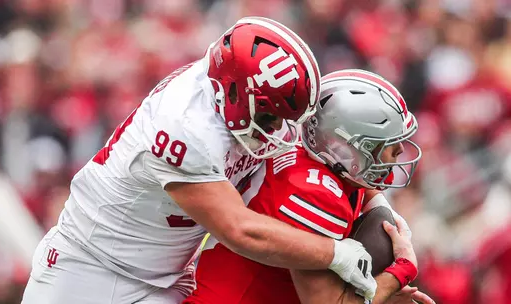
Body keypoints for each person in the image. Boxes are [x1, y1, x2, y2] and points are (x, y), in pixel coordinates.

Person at [21, 18, 377, 304]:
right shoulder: (184, 127)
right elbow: (240, 230)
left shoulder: (234, 89)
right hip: (90, 270)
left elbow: (331, 156)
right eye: (271, 117)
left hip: (169, 276)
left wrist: (386, 215)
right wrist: (334, 252)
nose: (280, 131)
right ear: (237, 94)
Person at [183, 70, 434, 304]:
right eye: (389, 143)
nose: (400, 151)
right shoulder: (316, 197)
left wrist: (383, 211)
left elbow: (363, 191)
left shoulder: (318, 161)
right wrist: (401, 270)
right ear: (351, 148)